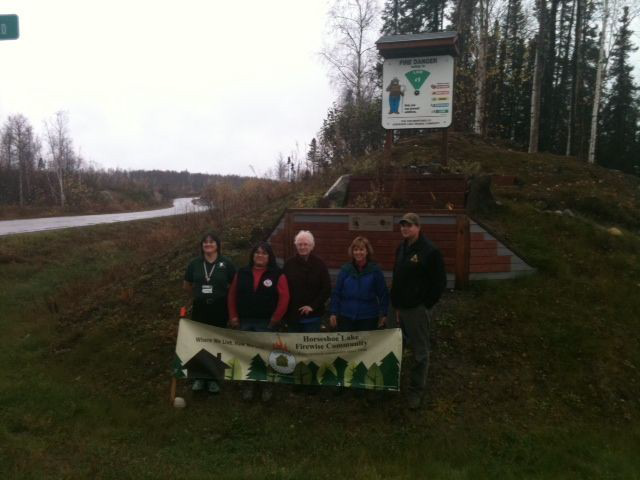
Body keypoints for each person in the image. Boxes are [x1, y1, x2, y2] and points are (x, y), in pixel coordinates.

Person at [390, 213, 446, 410]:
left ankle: (416, 390)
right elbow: (397, 277)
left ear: (418, 227)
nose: (405, 229)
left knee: (420, 352)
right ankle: (393, 384)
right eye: (402, 226)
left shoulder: (430, 251)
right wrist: (395, 304)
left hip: (416, 310)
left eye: (409, 226)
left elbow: (439, 284)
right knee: (396, 346)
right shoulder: (402, 248)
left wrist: (424, 306)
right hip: (399, 309)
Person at [227, 241, 290, 402]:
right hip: (244, 321)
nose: (260, 255)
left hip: (266, 323)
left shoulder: (277, 274)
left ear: (269, 257)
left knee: (266, 356)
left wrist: (275, 319)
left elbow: (284, 298)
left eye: (264, 253)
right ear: (252, 255)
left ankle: (266, 386)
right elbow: (232, 295)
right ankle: (248, 385)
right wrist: (233, 316)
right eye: (257, 252)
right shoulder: (241, 272)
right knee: (247, 355)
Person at [183, 232, 236, 394]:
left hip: (219, 308)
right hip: (200, 307)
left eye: (211, 242)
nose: (208, 244)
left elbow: (234, 285)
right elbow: (187, 285)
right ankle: (200, 378)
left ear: (217, 245)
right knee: (200, 341)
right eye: (205, 242)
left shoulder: (226, 263)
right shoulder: (195, 264)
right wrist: (199, 295)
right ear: (202, 246)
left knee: (216, 342)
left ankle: (214, 379)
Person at [329, 236, 389, 332]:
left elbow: (383, 293)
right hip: (346, 316)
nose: (358, 252)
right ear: (352, 252)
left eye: (361, 249)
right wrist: (333, 312)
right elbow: (337, 293)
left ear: (367, 251)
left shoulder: (375, 271)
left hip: (368, 317)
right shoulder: (345, 270)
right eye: (355, 250)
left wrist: (384, 314)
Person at [283, 230, 331, 333]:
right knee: (293, 346)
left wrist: (312, 306)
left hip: (313, 316)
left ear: (312, 246)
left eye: (306, 244)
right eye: (300, 244)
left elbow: (326, 289)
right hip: (293, 316)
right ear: (296, 246)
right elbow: (283, 289)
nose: (302, 247)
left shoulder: (320, 264)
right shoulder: (288, 264)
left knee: (310, 347)